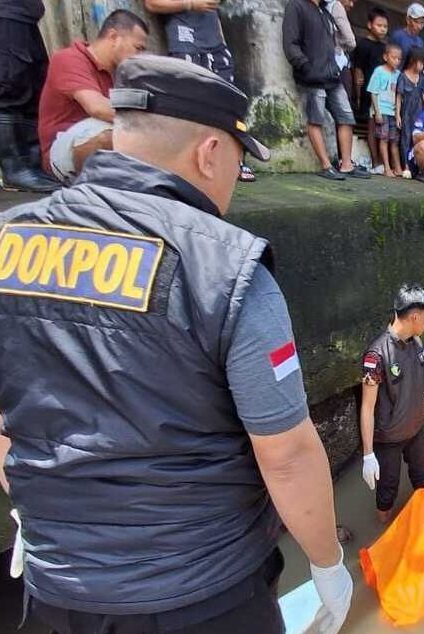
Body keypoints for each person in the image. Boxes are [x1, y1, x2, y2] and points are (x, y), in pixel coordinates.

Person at [0, 55, 351, 634]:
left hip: (57, 587)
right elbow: (286, 453)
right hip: (203, 591)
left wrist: (33, 513)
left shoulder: (13, 240)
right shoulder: (225, 266)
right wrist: (326, 562)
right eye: (239, 160)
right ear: (209, 153)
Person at [143, 0, 257, 182]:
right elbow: (152, 4)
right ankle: (187, 163)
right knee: (189, 108)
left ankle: (234, 162)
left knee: (228, 105)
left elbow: (213, 11)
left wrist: (222, 42)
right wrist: (190, 4)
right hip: (185, 45)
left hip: (216, 46)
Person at [37, 9, 148, 184]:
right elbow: (97, 108)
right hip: (60, 151)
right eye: (138, 48)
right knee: (112, 136)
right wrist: (150, 126)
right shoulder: (69, 59)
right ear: (113, 36)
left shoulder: (123, 72)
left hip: (96, 136)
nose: (139, 56)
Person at [360, 283, 424, 524]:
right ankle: (384, 530)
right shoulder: (376, 356)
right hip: (389, 437)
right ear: (414, 317)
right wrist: (368, 454)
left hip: (415, 428)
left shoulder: (417, 343)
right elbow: (367, 408)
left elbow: (417, 377)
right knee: (387, 491)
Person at [282, 0, 369, 181]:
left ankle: (347, 165)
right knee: (316, 119)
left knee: (346, 117)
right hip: (312, 76)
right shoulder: (296, 5)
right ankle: (326, 166)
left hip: (332, 75)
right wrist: (305, 66)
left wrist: (336, 65)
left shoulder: (325, 11)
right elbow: (290, 43)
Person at [0, 0, 58, 192]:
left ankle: (33, 163)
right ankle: (15, 168)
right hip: (7, 14)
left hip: (24, 15)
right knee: (10, 84)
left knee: (35, 85)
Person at [352, 7, 389, 175]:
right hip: (369, 93)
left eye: (385, 26)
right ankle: (375, 162)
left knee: (383, 130)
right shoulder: (363, 45)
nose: (382, 29)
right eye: (379, 25)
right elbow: (358, 70)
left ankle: (382, 161)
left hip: (384, 95)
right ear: (369, 25)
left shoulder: (385, 47)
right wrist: (358, 95)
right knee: (372, 128)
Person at [367, 43, 402, 177]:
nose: (397, 61)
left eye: (399, 59)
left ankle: (397, 168)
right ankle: (386, 168)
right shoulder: (379, 71)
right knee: (384, 139)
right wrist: (377, 112)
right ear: (385, 57)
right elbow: (373, 92)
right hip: (382, 110)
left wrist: (398, 114)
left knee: (394, 141)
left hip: (392, 111)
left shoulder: (398, 75)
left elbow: (398, 96)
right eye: (394, 58)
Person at [396, 47, 424, 176]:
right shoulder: (403, 76)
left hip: (419, 111)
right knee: (406, 138)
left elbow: (421, 94)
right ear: (412, 61)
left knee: (418, 137)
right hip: (406, 112)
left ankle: (417, 165)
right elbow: (399, 97)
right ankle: (405, 166)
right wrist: (397, 115)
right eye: (419, 62)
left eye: (423, 62)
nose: (421, 65)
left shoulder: (422, 77)